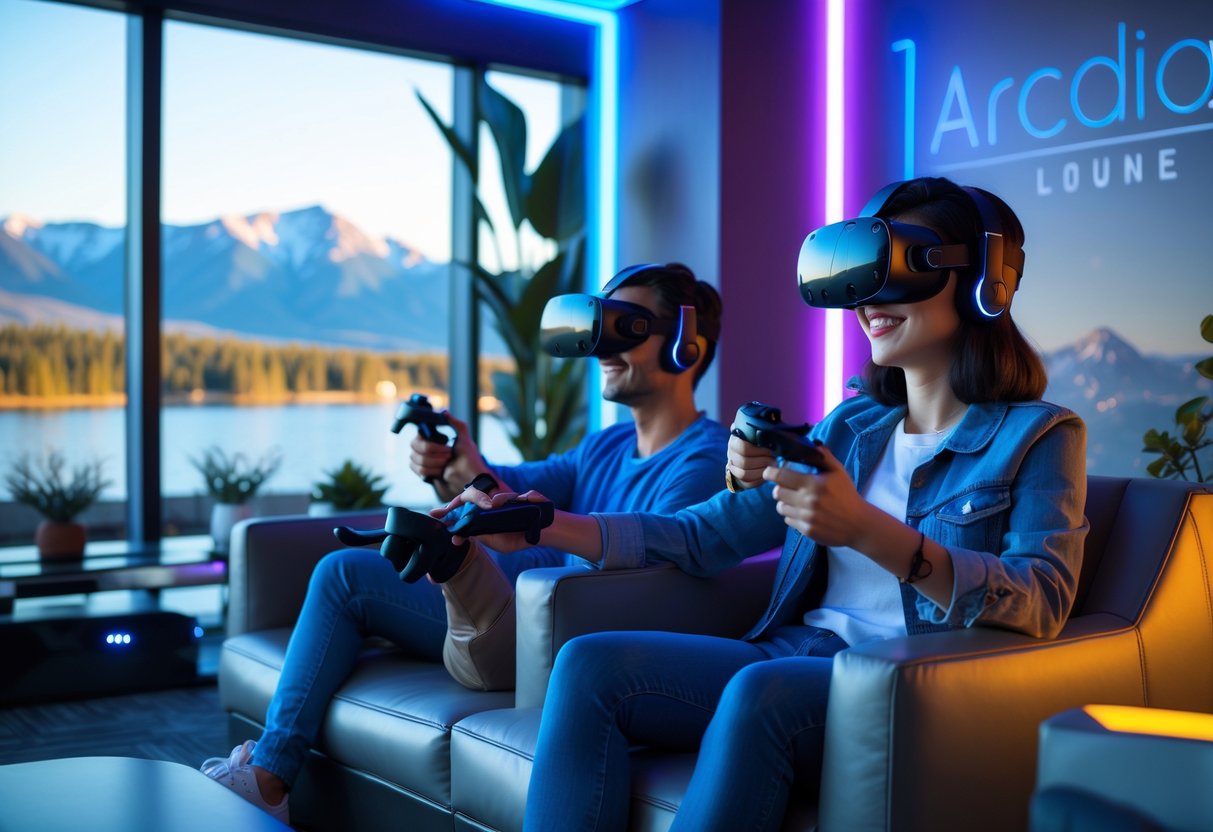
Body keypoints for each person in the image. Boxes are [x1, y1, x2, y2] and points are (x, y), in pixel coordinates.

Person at [437, 177, 1089, 831]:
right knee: (587, 664)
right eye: (863, 278)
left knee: (759, 690)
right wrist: (545, 522)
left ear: (983, 278)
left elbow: (1040, 598)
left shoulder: (1040, 435)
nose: (868, 301)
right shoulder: (849, 428)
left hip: (894, 684)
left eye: (898, 270)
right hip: (789, 654)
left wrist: (866, 530)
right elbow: (701, 535)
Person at [200, 263, 730, 824]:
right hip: (514, 608)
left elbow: (651, 575)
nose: (603, 348)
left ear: (685, 345)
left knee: (347, 577)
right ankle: (270, 775)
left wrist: (525, 535)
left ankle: (269, 776)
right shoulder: (606, 445)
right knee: (348, 569)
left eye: (627, 328)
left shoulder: (703, 461)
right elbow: (514, 490)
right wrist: (460, 464)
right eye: (600, 327)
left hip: (559, 637)